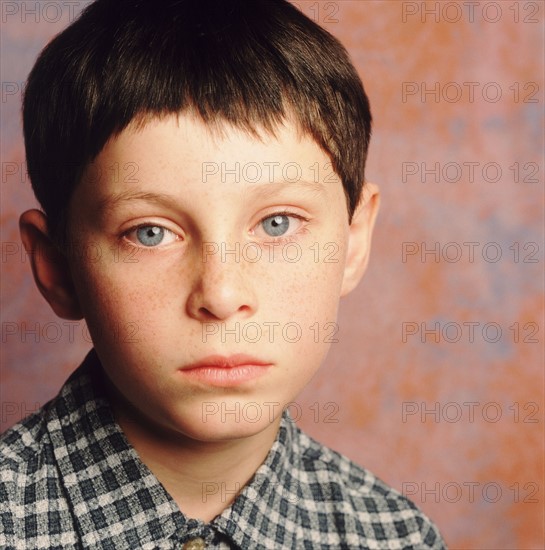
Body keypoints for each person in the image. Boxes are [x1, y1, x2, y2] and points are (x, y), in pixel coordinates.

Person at [0, 0, 446, 548]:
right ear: (58, 267)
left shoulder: (396, 537)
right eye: (150, 233)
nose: (222, 293)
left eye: (278, 223)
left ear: (353, 243)